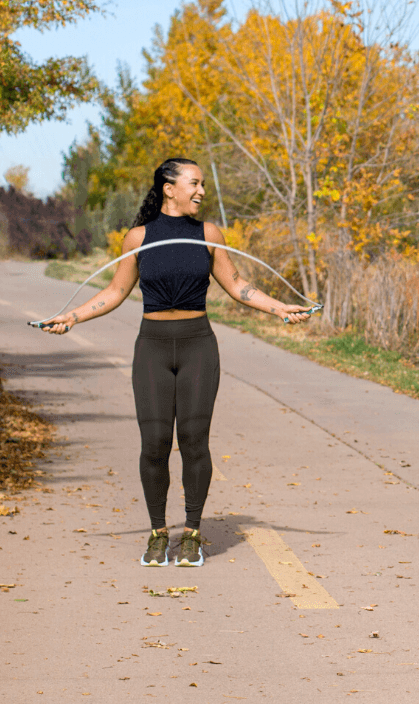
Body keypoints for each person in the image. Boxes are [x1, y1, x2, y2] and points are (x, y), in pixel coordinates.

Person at [39, 158, 312, 567]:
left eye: (202, 184)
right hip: (152, 347)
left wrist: (280, 309)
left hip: (198, 346)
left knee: (194, 440)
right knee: (154, 444)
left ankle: (193, 534)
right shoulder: (139, 238)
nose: (201, 191)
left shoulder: (209, 234)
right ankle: (156, 533)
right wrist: (72, 317)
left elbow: (238, 285)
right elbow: (114, 292)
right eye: (194, 183)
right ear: (169, 188)